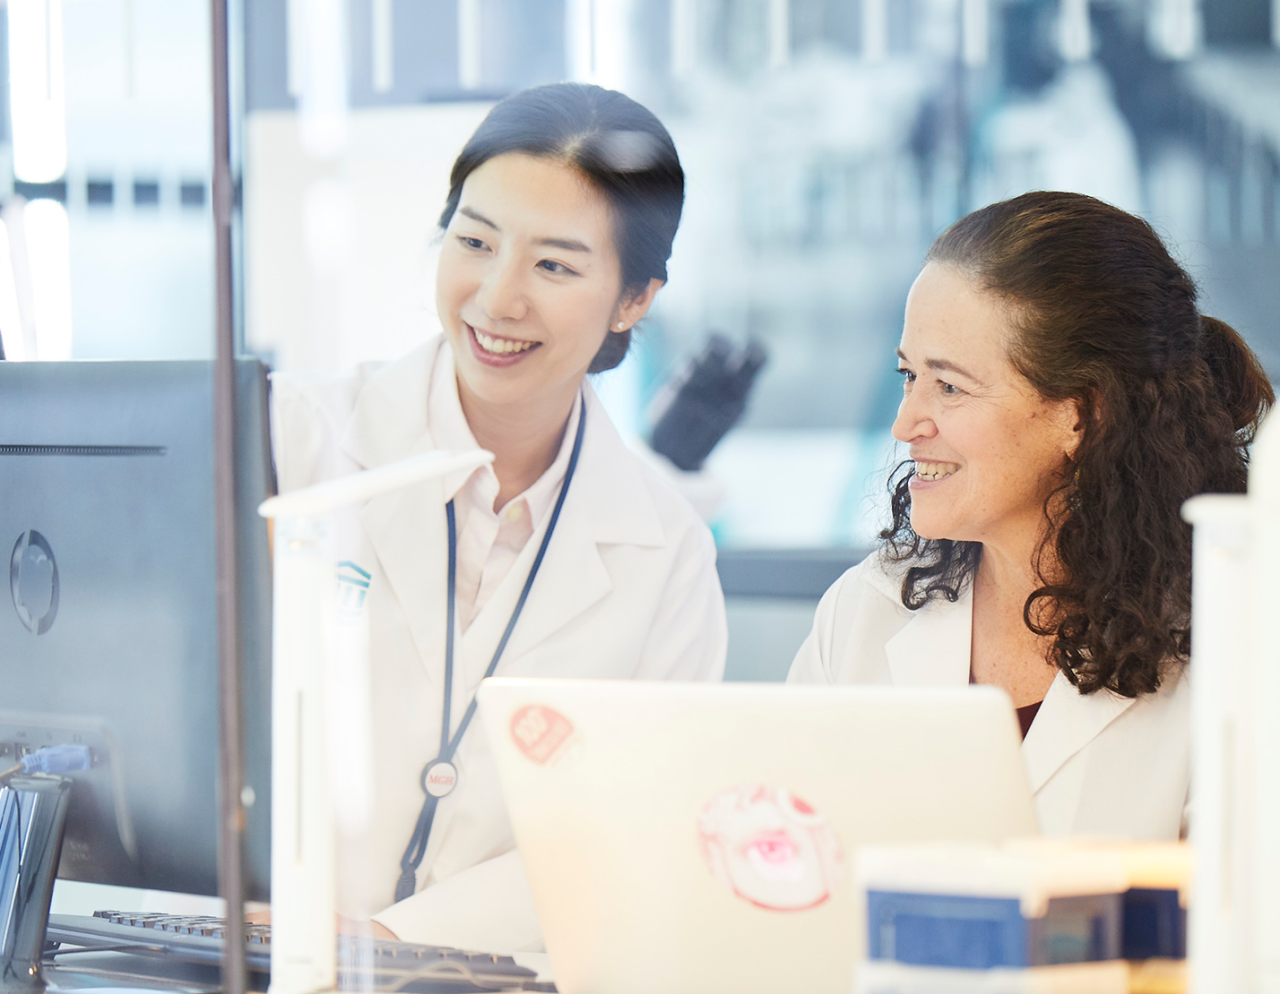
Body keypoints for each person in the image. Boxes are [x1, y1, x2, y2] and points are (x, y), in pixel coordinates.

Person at [271, 83, 727, 952]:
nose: (498, 298)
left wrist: (392, 938)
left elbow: (635, 827)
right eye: (474, 241)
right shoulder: (286, 438)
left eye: (555, 265)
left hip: (495, 973)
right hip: (238, 959)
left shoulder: (665, 551)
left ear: (634, 299)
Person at [788, 191, 1272, 839]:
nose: (906, 423)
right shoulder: (861, 614)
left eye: (950, 386)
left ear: (1082, 414)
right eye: (909, 376)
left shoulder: (1234, 645)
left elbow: (1236, 922)